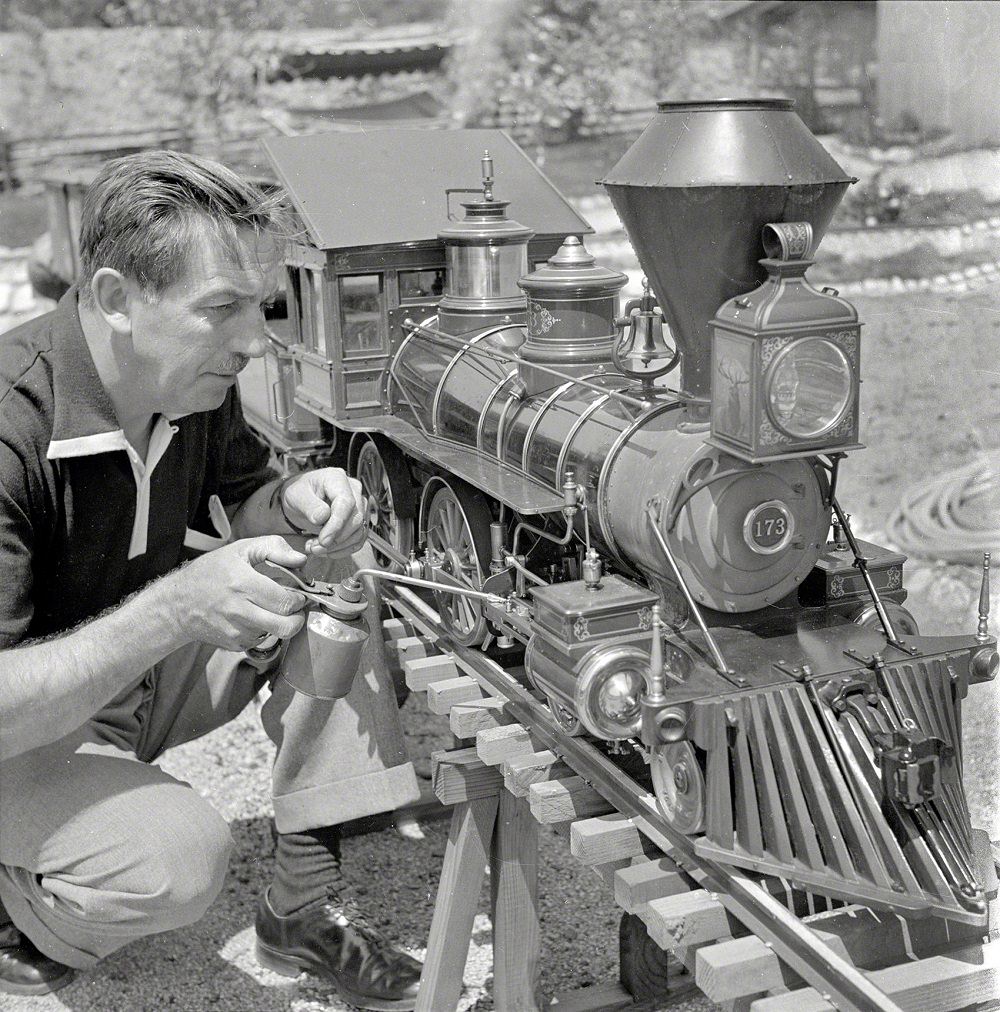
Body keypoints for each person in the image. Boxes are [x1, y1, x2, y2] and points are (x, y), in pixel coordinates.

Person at [0, 151, 423, 1009]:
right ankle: (21, 909)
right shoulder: (12, 427)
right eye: (220, 309)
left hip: (126, 679)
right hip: (23, 723)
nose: (253, 339)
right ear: (117, 300)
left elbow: (246, 497)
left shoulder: (190, 377)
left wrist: (298, 501)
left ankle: (301, 906)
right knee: (176, 860)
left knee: (337, 561)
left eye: (257, 305)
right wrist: (178, 608)